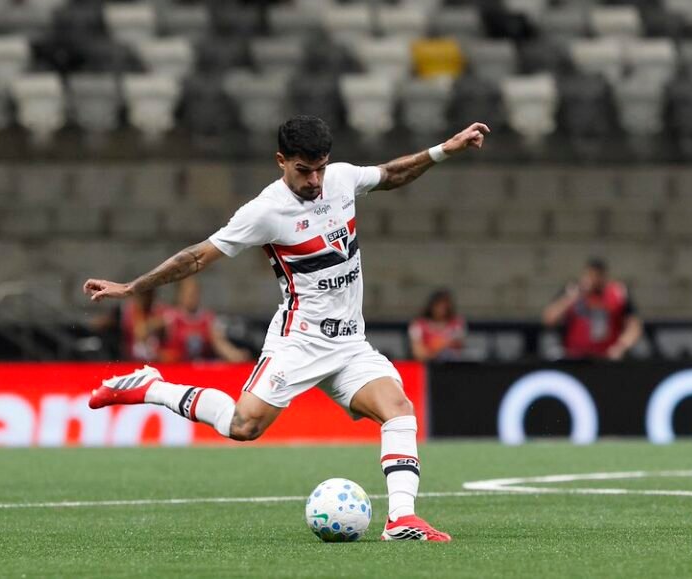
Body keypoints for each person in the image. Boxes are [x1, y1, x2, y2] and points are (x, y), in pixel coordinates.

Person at [83, 115, 489, 542]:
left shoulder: (341, 179)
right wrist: (133, 287)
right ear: (281, 161)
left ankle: (401, 519)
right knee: (243, 426)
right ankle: (152, 387)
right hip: (299, 341)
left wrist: (445, 149)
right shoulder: (265, 211)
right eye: (304, 170)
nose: (315, 180)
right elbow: (197, 257)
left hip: (350, 344)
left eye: (320, 168)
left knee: (399, 410)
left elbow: (392, 174)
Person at [542, 258, 643, 360]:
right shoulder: (572, 291)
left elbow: (634, 327)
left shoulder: (619, 293)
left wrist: (620, 347)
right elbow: (549, 319)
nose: (594, 280)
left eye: (597, 276)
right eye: (590, 275)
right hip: (574, 357)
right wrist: (572, 298)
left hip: (608, 357)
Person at [162, 278, 252, 363]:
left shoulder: (207, 319)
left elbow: (220, 344)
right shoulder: (169, 317)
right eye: (188, 293)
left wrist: (235, 355)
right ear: (179, 295)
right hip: (176, 367)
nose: (192, 297)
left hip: (200, 368)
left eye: (195, 293)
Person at [409, 289, 466, 362]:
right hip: (428, 365)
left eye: (445, 306)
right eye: (438, 305)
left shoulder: (457, 324)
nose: (441, 309)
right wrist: (441, 346)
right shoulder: (418, 325)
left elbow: (460, 348)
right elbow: (419, 354)